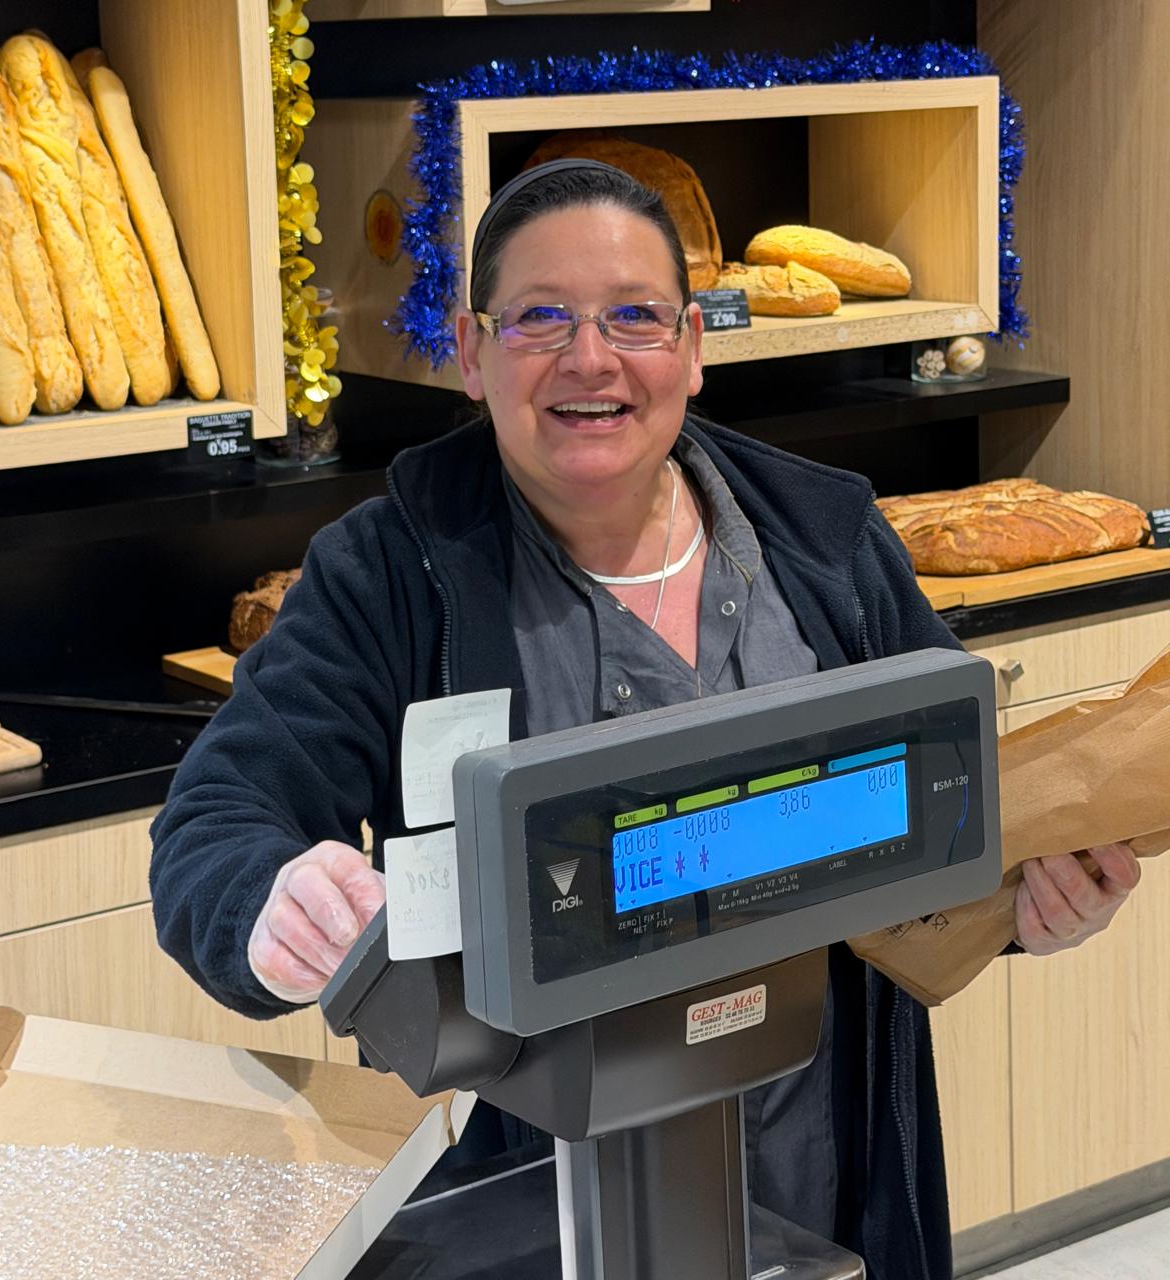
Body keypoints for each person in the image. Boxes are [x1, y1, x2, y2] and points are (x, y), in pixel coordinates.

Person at [150, 160, 1140, 1280]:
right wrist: (273, 902)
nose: (591, 358)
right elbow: (217, 824)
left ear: (693, 347)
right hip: (541, 1215)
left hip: (837, 1185)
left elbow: (950, 809)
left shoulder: (826, 542)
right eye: (539, 319)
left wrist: (1029, 905)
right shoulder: (393, 575)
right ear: (471, 356)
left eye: (634, 316)